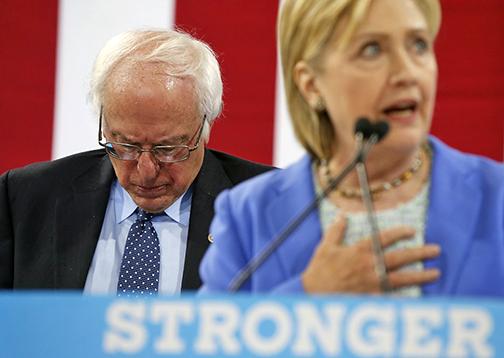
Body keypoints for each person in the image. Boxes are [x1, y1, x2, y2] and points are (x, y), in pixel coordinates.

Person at [200, 0, 504, 296]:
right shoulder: (247, 215)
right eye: (372, 49)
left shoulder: (497, 197)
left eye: (419, 45)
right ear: (311, 85)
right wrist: (306, 296)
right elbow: (206, 342)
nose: (407, 73)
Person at [0, 29, 272, 294]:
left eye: (168, 148)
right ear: (104, 127)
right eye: (126, 146)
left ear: (205, 128)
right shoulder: (24, 199)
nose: (146, 171)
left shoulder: (272, 208)